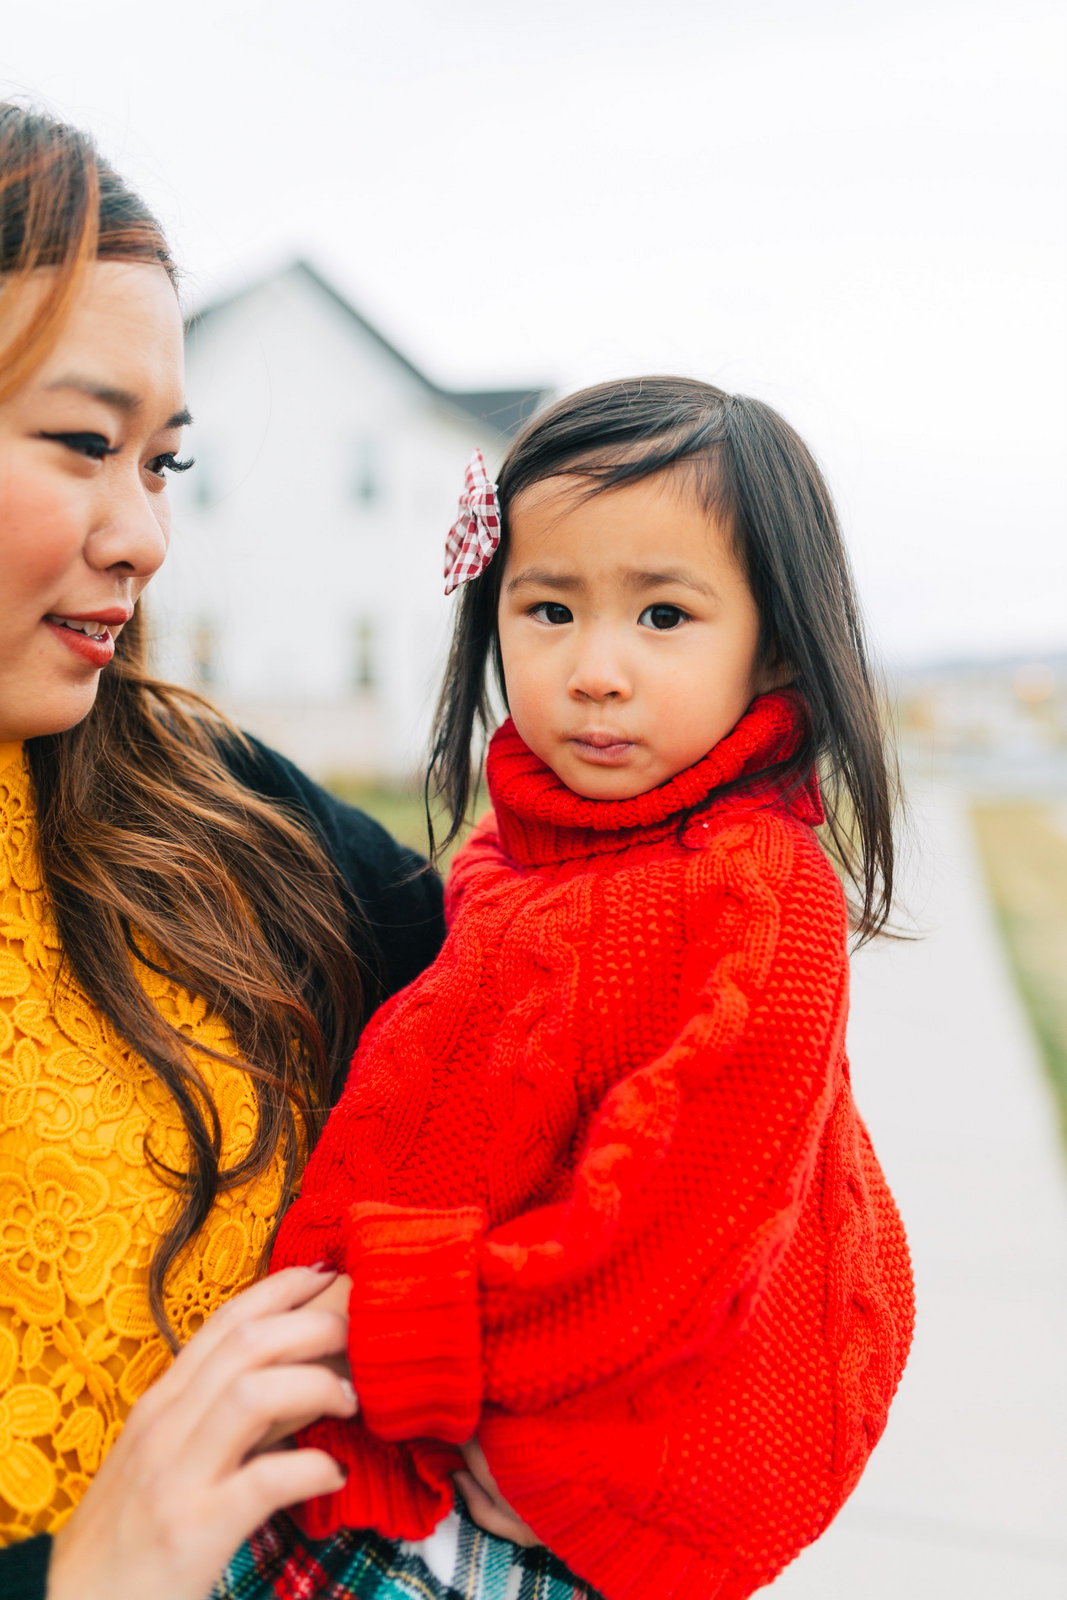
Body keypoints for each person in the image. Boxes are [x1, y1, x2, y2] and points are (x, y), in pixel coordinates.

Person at [228, 378, 916, 1600]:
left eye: (662, 615)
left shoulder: (753, 895)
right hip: (429, 1419)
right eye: (547, 607)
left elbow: (668, 1232)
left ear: (772, 636)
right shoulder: (517, 852)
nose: (594, 669)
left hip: (546, 1475)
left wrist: (425, 1338)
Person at [0, 103, 451, 1600]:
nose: (144, 534)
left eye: (165, 462)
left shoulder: (208, 802)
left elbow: (547, 995)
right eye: (82, 444)